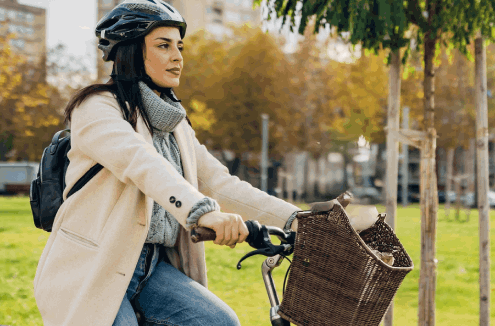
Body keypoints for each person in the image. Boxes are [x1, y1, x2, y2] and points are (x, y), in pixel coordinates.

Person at [31, 1, 357, 325]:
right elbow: (141, 163)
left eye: (179, 46)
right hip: (95, 264)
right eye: (163, 45)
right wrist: (203, 212)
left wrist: (300, 220)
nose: (177, 56)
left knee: (219, 322)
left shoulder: (176, 125)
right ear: (130, 51)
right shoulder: (96, 108)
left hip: (152, 268)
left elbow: (220, 184)